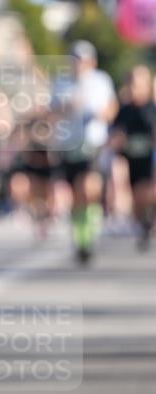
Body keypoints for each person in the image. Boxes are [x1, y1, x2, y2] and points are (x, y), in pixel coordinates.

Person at [52, 41, 118, 263]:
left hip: (93, 144)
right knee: (76, 196)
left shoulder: (101, 81)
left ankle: (90, 234)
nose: (79, 64)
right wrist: (65, 108)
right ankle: (81, 239)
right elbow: (50, 111)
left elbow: (111, 107)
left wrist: (101, 114)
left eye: (83, 60)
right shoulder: (61, 83)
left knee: (89, 188)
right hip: (69, 145)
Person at [109, 65, 156, 250]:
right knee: (137, 200)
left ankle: (148, 216)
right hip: (130, 159)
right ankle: (142, 223)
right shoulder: (124, 110)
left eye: (138, 84)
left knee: (146, 192)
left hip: (150, 160)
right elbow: (115, 133)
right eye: (132, 84)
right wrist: (118, 139)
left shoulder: (152, 108)